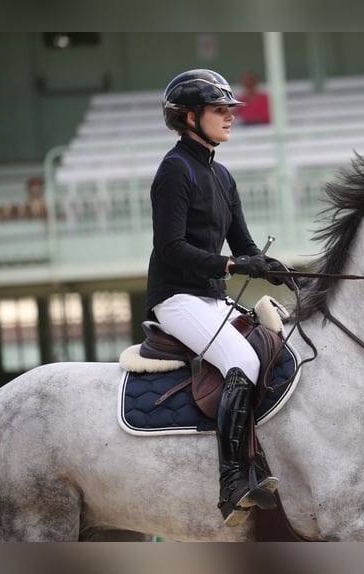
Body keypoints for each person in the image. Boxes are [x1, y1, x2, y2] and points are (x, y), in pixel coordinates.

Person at [146, 69, 287, 527]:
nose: (230, 117)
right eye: (219, 110)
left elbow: (243, 245)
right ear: (189, 117)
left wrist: (272, 267)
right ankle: (232, 481)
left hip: (210, 298)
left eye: (230, 110)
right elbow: (170, 247)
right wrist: (230, 265)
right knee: (242, 363)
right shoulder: (174, 170)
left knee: (274, 349)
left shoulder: (222, 176)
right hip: (177, 298)